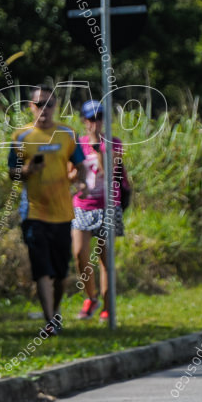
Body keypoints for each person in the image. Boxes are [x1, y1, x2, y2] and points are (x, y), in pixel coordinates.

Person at [9, 85, 84, 335]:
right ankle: (50, 321)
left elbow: (79, 164)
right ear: (31, 107)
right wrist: (28, 170)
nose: (44, 109)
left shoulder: (67, 133)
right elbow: (12, 173)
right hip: (33, 212)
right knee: (42, 268)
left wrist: (77, 177)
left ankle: (55, 310)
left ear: (56, 106)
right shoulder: (21, 136)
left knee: (61, 273)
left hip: (62, 212)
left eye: (49, 104)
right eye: (39, 104)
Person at [70, 99, 126, 322]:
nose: (96, 123)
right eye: (92, 119)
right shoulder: (77, 145)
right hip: (83, 206)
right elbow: (70, 174)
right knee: (80, 254)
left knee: (105, 259)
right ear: (84, 121)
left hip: (108, 206)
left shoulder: (114, 143)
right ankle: (90, 297)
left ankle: (107, 305)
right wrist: (76, 176)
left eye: (100, 118)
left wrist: (98, 149)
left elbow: (111, 173)